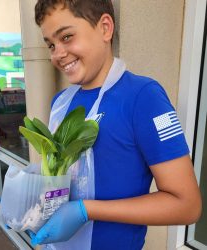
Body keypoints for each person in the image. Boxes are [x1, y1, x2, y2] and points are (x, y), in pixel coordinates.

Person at [30, 1, 202, 249]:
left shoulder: (143, 97)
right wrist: (30, 202)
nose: (57, 53)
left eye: (67, 37)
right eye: (51, 44)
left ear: (105, 28)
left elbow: (187, 205)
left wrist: (85, 211)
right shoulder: (61, 102)